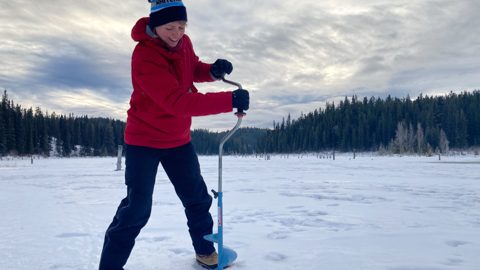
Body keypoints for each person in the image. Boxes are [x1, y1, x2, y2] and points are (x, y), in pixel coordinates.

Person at [98, 0, 249, 269]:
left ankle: (205, 252)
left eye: (181, 26)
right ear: (155, 26)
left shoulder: (184, 43)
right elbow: (177, 101)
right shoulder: (144, 55)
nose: (177, 33)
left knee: (197, 198)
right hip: (143, 141)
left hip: (178, 140)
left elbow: (190, 68)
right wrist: (229, 100)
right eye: (170, 27)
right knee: (137, 209)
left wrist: (211, 71)